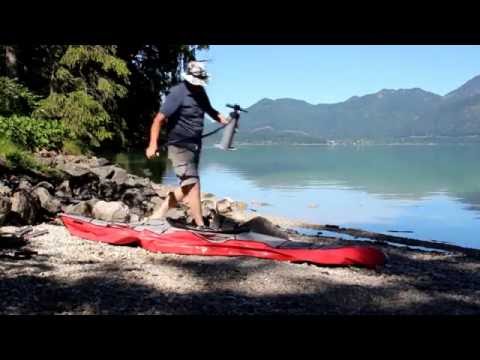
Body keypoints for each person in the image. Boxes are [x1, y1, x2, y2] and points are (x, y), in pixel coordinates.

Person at [145, 61, 230, 227]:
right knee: (193, 182)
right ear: (189, 78)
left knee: (187, 185)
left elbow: (211, 110)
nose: (198, 86)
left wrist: (225, 120)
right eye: (196, 83)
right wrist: (152, 144)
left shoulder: (200, 92)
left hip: (194, 146)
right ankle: (200, 225)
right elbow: (158, 120)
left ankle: (158, 214)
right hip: (179, 146)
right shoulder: (177, 93)